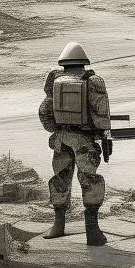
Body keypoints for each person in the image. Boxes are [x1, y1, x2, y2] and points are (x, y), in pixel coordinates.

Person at [39, 42, 112, 246]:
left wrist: (56, 129)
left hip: (62, 139)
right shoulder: (92, 81)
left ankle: (58, 225)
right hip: (83, 141)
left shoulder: (55, 79)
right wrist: (103, 137)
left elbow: (44, 111)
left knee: (60, 178)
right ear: (84, 61)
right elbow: (101, 113)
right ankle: (92, 231)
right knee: (89, 179)